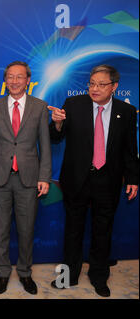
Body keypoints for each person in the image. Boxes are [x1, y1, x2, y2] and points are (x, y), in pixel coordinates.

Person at [49, 64, 139, 297]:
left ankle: (99, 277)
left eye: (101, 84)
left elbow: (130, 149)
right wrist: (57, 122)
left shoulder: (127, 112)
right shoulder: (74, 105)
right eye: (92, 84)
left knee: (103, 230)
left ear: (114, 87)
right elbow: (55, 137)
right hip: (77, 179)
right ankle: (68, 275)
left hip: (108, 181)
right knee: (73, 230)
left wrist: (132, 178)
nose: (95, 88)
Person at [0, 61, 51, 295]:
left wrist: (44, 176)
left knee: (26, 231)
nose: (14, 81)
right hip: (0, 179)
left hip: (29, 180)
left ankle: (25, 272)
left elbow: (45, 145)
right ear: (5, 80)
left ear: (28, 80)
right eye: (10, 77)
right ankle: (3, 273)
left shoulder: (39, 106)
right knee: (0, 229)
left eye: (19, 77)